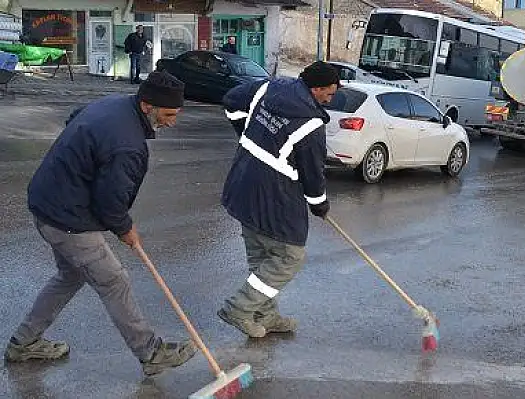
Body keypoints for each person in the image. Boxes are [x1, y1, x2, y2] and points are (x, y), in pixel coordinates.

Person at [4, 71, 197, 376]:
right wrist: (124, 229)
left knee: (70, 276)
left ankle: (23, 342)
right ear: (147, 106)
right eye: (169, 114)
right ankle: (150, 353)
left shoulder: (114, 104)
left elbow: (74, 118)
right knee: (113, 280)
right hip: (67, 219)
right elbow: (110, 203)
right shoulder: (128, 145)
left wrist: (81, 165)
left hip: (46, 202)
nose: (173, 121)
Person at [218, 61, 340, 338]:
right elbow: (313, 172)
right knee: (289, 256)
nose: (329, 100)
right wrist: (318, 203)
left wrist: (246, 135)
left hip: (242, 180)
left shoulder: (269, 87)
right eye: (329, 94)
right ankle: (239, 308)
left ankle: (265, 314)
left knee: (262, 254)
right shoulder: (309, 124)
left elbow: (232, 101)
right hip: (274, 193)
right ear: (316, 88)